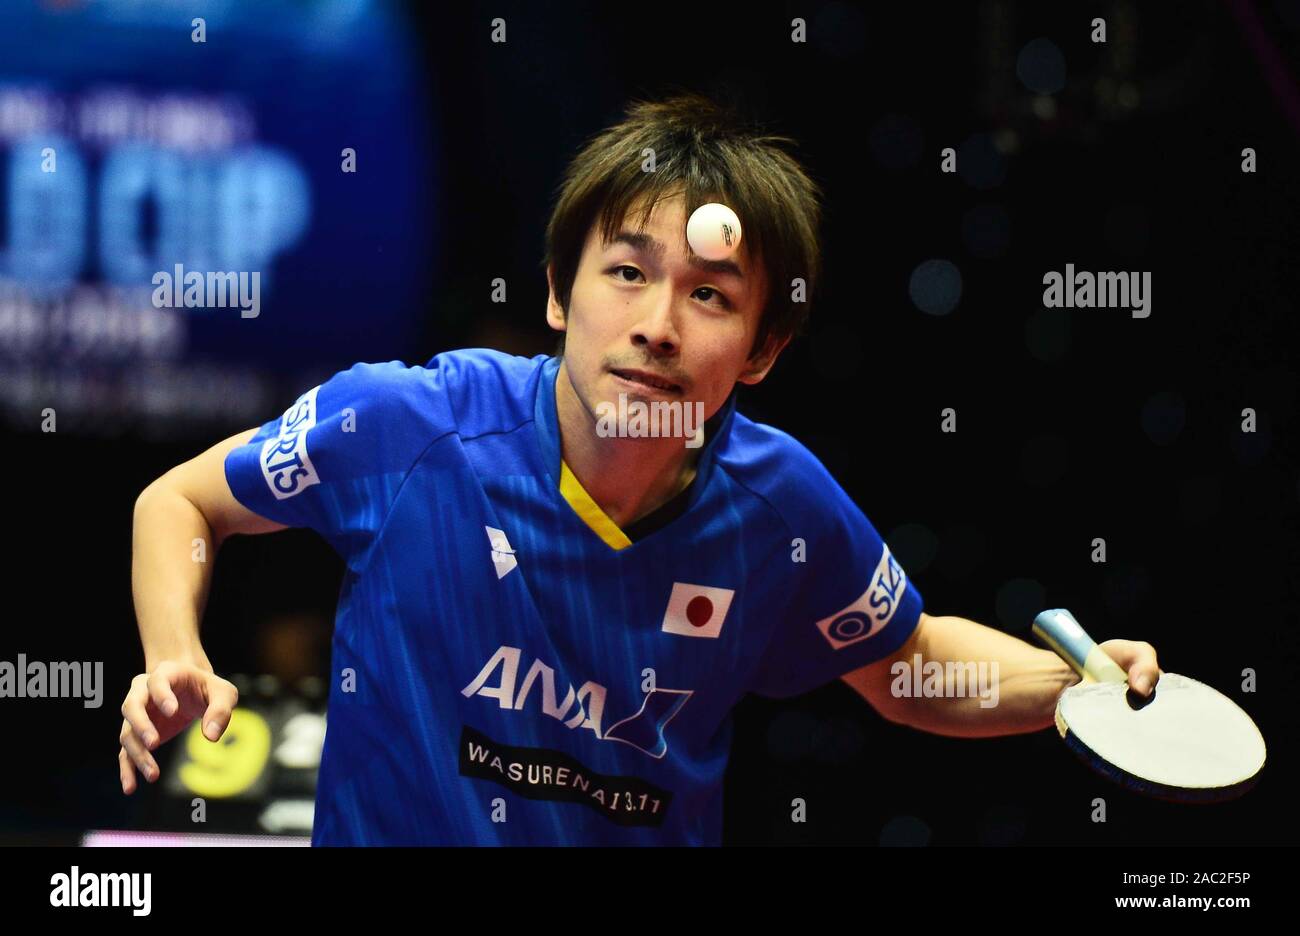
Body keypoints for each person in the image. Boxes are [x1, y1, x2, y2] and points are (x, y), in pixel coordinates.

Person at [121, 93, 1162, 845]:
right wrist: (174, 650)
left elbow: (907, 664)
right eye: (626, 273)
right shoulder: (406, 425)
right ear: (559, 296)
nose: (657, 327)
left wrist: (1077, 687)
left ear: (760, 351)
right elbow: (181, 500)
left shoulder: (779, 508)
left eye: (711, 297)